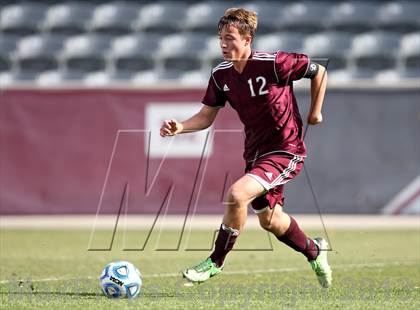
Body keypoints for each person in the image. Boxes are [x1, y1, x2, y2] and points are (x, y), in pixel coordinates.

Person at [160, 8, 332, 288]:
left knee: (237, 194)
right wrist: (180, 127)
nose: (224, 45)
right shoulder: (221, 75)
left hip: (286, 150)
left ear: (248, 39)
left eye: (230, 38)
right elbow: (206, 116)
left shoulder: (274, 63)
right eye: (221, 39)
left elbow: (319, 71)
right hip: (255, 155)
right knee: (272, 222)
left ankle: (214, 262)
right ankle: (315, 250)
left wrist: (315, 112)